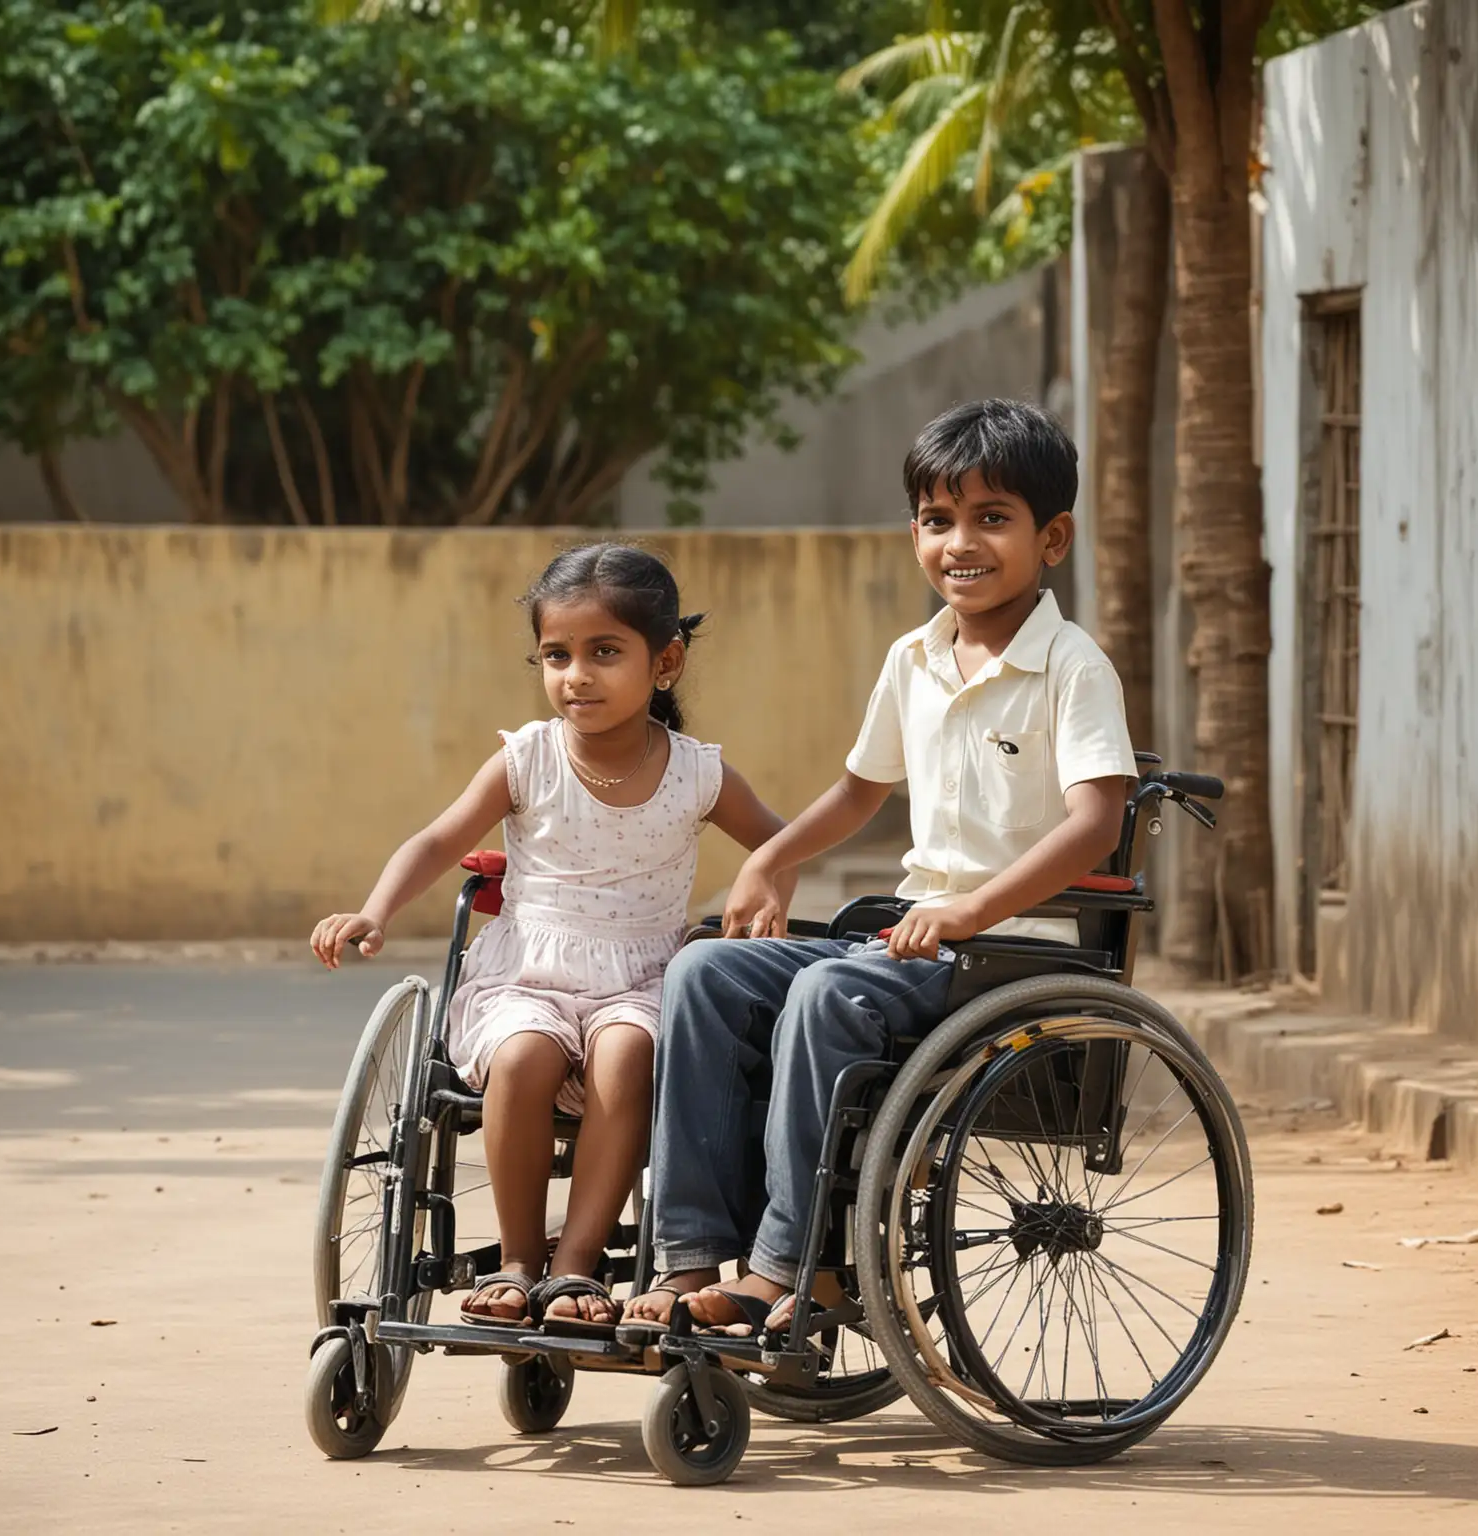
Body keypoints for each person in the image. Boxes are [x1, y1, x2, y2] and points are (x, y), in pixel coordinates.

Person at [622, 399, 1137, 1339]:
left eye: (992, 518)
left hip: (1014, 951)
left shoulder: (1071, 665)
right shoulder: (915, 657)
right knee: (703, 972)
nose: (960, 543)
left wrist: (974, 906)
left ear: (1050, 536)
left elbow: (1097, 821)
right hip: (915, 939)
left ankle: (793, 1270)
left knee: (828, 997)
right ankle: (687, 1260)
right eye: (939, 521)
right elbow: (861, 792)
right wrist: (772, 858)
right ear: (914, 533)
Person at [310, 543, 790, 1332]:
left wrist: (765, 884)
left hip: (639, 977)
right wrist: (375, 909)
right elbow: (436, 841)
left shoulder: (697, 774)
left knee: (629, 1053)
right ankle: (519, 1262)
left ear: (664, 662)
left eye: (605, 652)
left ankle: (578, 1267)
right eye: (556, 655)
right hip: (528, 972)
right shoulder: (527, 757)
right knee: (526, 1056)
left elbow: (781, 843)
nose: (577, 675)